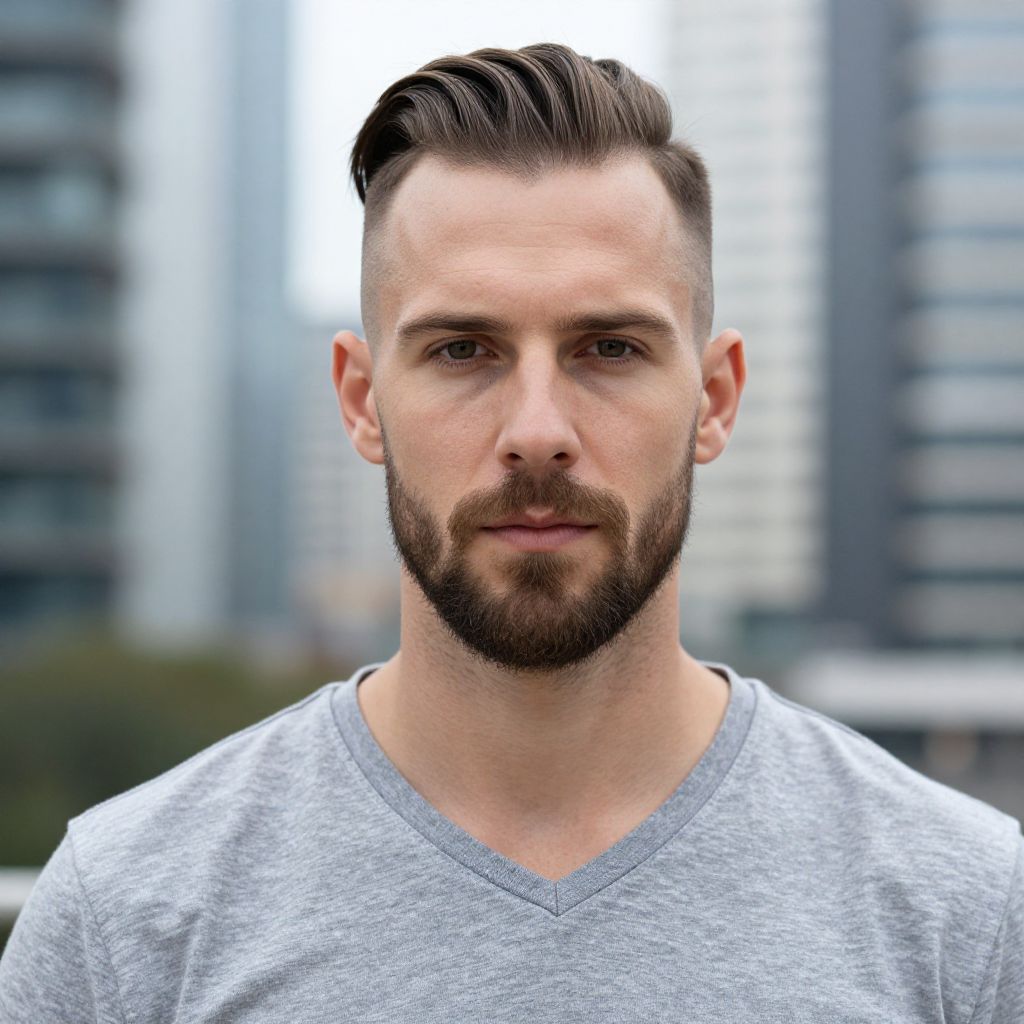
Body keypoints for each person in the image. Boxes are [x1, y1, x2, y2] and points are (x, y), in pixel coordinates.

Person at [1, 42, 1021, 1023]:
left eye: (609, 347)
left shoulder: (969, 917)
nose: (537, 433)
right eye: (462, 350)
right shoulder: (128, 914)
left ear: (714, 398)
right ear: (361, 400)